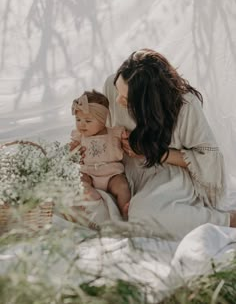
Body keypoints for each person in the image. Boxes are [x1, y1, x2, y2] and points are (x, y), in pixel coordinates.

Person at [102, 48, 236, 239]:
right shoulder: (112, 85)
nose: (117, 100)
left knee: (143, 214)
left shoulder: (185, 106)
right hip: (124, 170)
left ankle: (228, 220)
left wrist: (153, 152)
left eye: (126, 99)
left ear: (148, 102)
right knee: (91, 205)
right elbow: (104, 128)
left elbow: (209, 160)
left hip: (168, 171)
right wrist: (115, 138)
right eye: (117, 90)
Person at [70, 89, 131, 218]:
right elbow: (70, 150)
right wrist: (70, 150)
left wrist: (129, 138)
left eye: (88, 121)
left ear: (102, 120)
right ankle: (92, 199)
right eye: (78, 119)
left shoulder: (114, 133)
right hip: (89, 173)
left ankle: (124, 212)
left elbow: (129, 139)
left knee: (122, 186)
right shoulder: (79, 136)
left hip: (112, 174)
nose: (81, 125)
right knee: (80, 181)